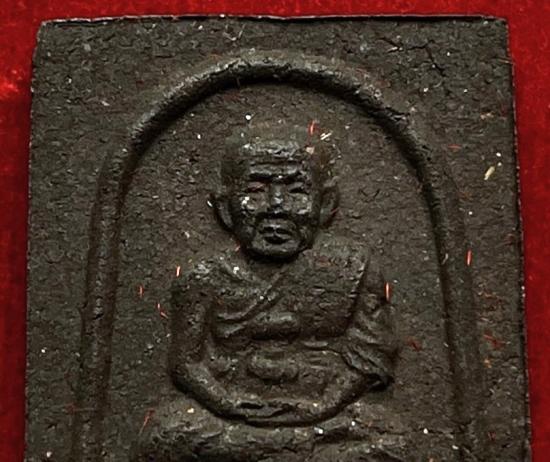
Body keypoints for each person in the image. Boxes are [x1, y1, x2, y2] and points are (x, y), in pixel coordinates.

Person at [132, 123, 401, 462]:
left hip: (327, 413)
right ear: (225, 207)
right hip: (231, 414)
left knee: (392, 442)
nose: (276, 205)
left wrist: (324, 405)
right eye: (256, 191)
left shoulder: (351, 267)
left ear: (326, 203)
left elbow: (372, 358)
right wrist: (229, 404)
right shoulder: (204, 277)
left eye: (296, 191)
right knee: (165, 436)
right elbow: (186, 363)